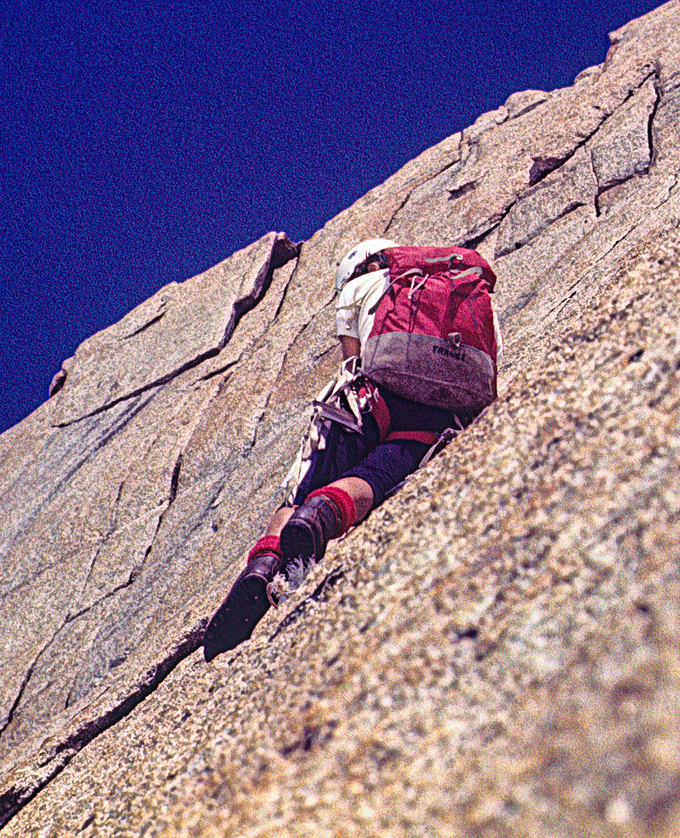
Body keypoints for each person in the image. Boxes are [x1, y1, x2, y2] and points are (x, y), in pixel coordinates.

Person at [202, 238, 493, 660]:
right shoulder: (461, 284)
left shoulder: (357, 289)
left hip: (372, 400)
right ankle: (325, 513)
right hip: (437, 408)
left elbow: (351, 361)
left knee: (298, 491)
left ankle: (264, 565)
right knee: (379, 473)